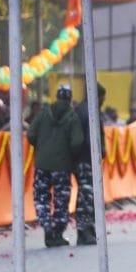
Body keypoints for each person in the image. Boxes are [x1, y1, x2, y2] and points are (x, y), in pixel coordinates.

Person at [27, 85, 83, 247]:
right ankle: (57, 234)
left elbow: (31, 134)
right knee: (61, 200)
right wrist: (70, 155)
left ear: (57, 96)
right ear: (70, 98)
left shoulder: (44, 113)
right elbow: (77, 142)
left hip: (42, 165)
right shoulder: (72, 117)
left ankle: (46, 226)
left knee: (42, 197)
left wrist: (41, 148)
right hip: (62, 166)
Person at [73, 83, 106, 246]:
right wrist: (99, 152)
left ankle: (87, 228)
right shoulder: (90, 111)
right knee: (86, 195)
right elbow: (89, 138)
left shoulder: (81, 109)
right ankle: (84, 230)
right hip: (86, 159)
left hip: (81, 159)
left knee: (86, 194)